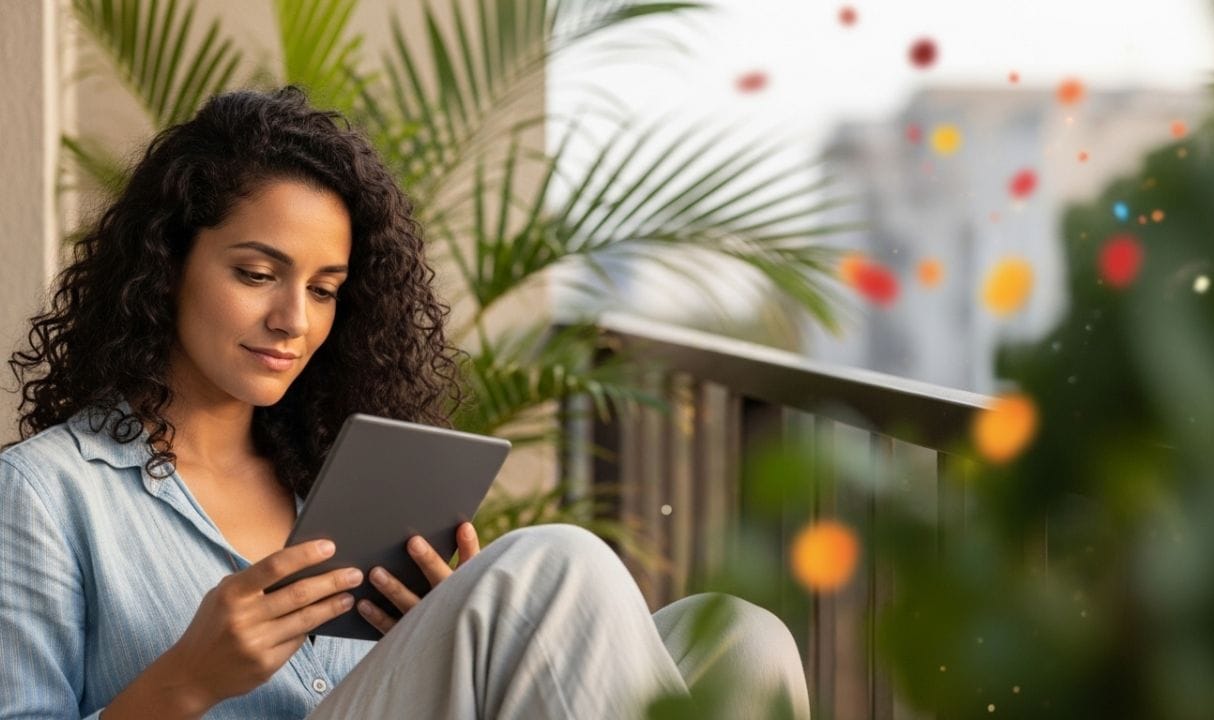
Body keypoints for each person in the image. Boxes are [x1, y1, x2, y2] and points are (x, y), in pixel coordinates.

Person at [0, 86, 810, 719]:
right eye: (256, 274)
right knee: (556, 567)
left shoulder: (332, 476)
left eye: (324, 290)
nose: (294, 320)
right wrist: (184, 683)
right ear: (167, 262)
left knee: (742, 641)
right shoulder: (44, 493)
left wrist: (443, 629)